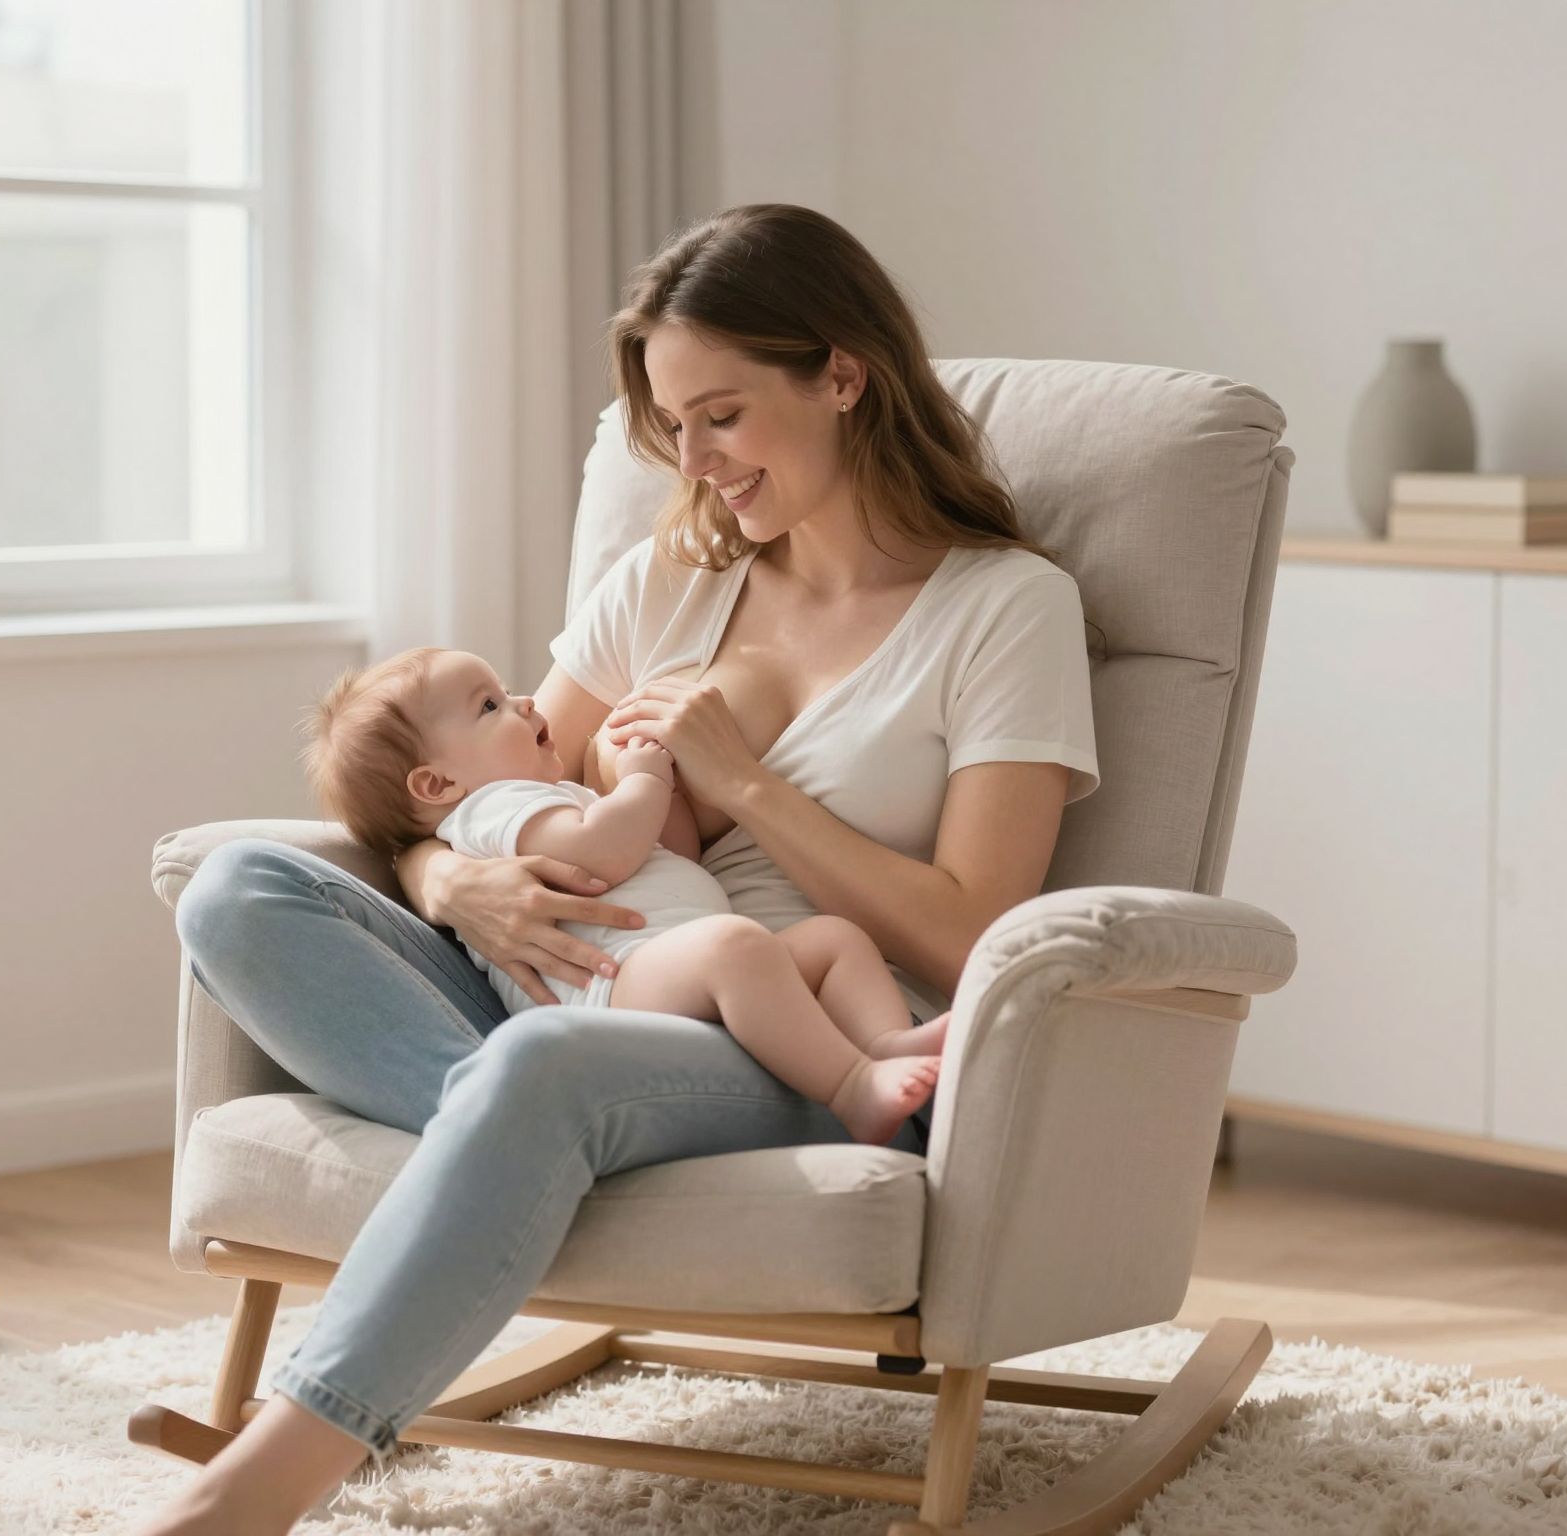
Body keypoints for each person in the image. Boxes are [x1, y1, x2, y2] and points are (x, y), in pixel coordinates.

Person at [137, 202, 1100, 1536]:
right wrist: (442, 884)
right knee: (236, 887)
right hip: (566, 991)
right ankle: (506, 1152)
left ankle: (255, 1491)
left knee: (538, 1075)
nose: (693, 462)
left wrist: (751, 786)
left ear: (841, 374)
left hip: (797, 1035)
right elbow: (480, 788)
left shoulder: (1003, 609)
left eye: (721, 416)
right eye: (671, 426)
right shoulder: (670, 581)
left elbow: (981, 930)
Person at [299, 645, 951, 1145]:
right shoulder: (492, 815)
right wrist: (639, 783)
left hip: (662, 967)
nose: (525, 701)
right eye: (489, 706)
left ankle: (884, 1045)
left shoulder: (551, 801)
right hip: (610, 992)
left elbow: (664, 856)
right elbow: (605, 850)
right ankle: (852, 1086)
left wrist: (657, 781)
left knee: (833, 939)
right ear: (438, 784)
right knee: (736, 947)